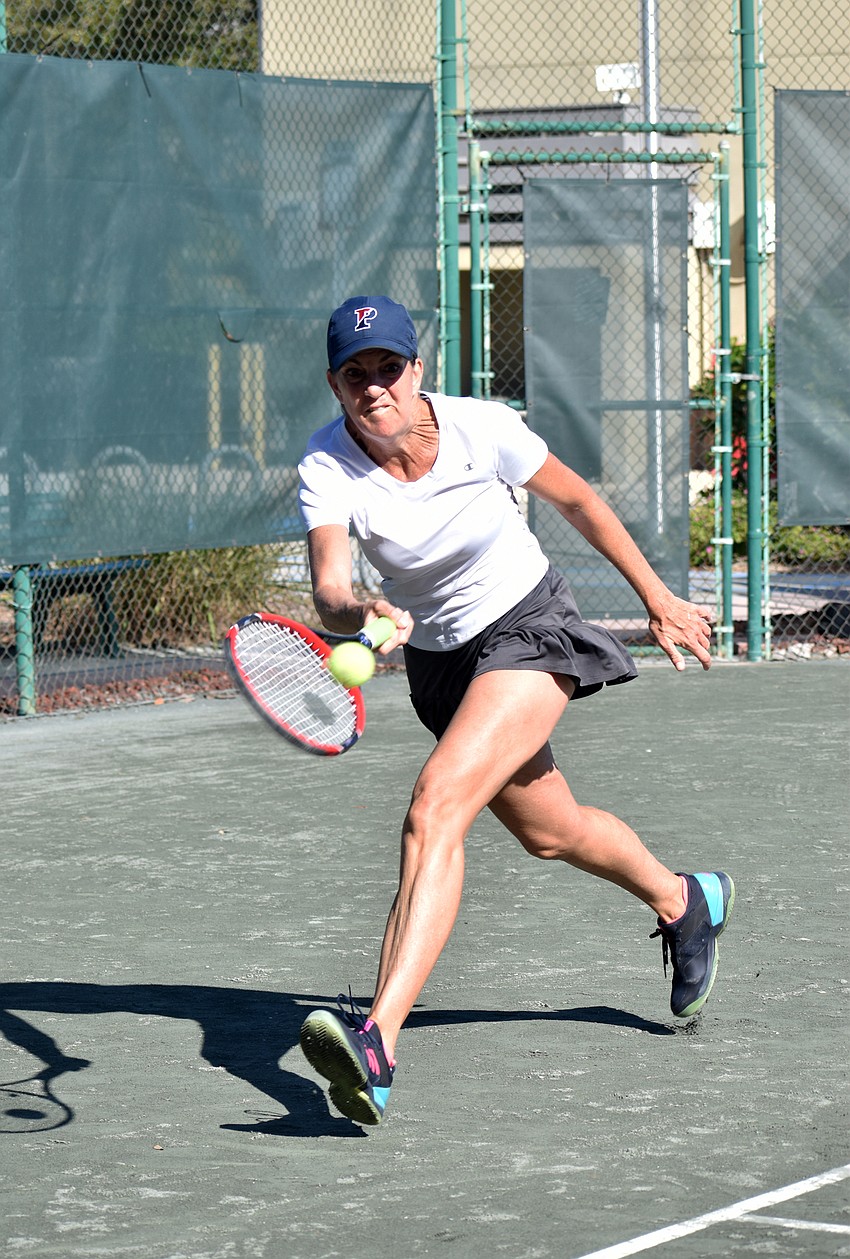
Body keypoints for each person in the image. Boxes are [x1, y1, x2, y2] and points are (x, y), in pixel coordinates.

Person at [296, 294, 734, 1127]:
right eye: (356, 375)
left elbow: (579, 501)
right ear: (335, 385)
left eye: (389, 367)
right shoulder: (327, 462)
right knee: (550, 830)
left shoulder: (478, 427)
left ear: (416, 370)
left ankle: (378, 1041)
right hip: (439, 666)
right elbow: (327, 585)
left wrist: (656, 598)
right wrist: (364, 616)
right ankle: (685, 899)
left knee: (435, 806)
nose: (375, 386)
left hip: (527, 625)